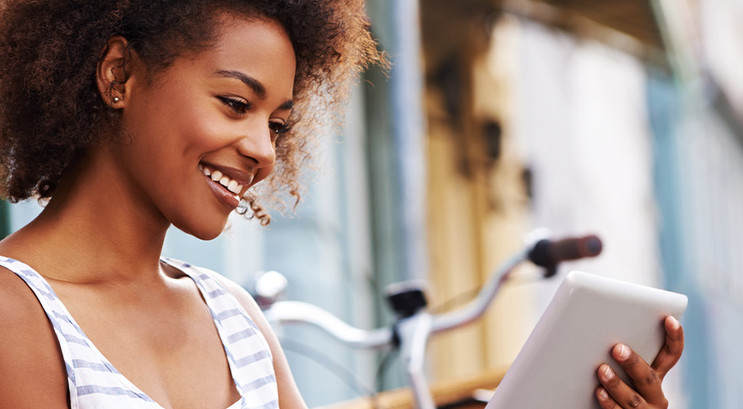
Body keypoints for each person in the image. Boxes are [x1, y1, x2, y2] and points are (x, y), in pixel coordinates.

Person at [0, 1, 683, 409]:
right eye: (236, 103)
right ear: (119, 74)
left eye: (277, 123)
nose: (262, 149)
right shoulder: (15, 315)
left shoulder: (232, 321)